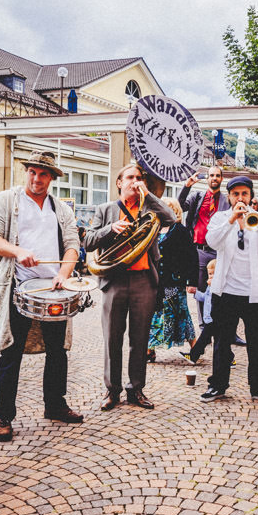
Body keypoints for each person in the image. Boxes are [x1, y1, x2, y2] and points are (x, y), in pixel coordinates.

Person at [0, 150, 84, 442]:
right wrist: (18, 252)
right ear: (25, 172)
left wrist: (63, 275)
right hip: (18, 287)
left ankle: (55, 405)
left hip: (53, 290)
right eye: (32, 172)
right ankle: (3, 416)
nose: (36, 178)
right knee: (11, 350)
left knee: (57, 351)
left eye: (43, 174)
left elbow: (72, 246)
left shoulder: (60, 209)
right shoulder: (7, 200)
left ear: (51, 178)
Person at [87, 163, 179, 411]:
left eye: (139, 178)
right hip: (114, 279)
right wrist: (110, 229)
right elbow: (87, 240)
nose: (135, 182)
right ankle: (111, 390)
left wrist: (148, 195)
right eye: (130, 177)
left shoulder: (150, 209)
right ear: (119, 182)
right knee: (112, 338)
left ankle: (136, 389)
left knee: (139, 339)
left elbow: (172, 219)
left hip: (143, 281)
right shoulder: (105, 209)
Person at [200, 176, 258, 405]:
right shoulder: (220, 218)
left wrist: (254, 224)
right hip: (226, 291)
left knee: (257, 343)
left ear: (251, 196)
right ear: (229, 197)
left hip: (255, 293)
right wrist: (232, 221)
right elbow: (211, 241)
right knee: (222, 342)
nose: (240, 198)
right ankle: (217, 385)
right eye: (236, 194)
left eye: (244, 194)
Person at [148, 211, 199, 355]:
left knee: (181, 313)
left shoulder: (180, 230)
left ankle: (195, 347)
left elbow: (192, 256)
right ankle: (149, 349)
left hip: (174, 280)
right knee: (155, 313)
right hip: (157, 280)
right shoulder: (154, 229)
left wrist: (191, 281)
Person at [178, 166, 228, 294]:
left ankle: (215, 315)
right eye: (211, 175)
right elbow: (179, 206)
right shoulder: (197, 197)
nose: (214, 178)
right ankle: (202, 315)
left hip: (219, 251)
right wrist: (187, 186)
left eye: (217, 175)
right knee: (200, 292)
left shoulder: (227, 201)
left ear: (222, 178)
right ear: (207, 178)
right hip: (200, 251)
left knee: (219, 292)